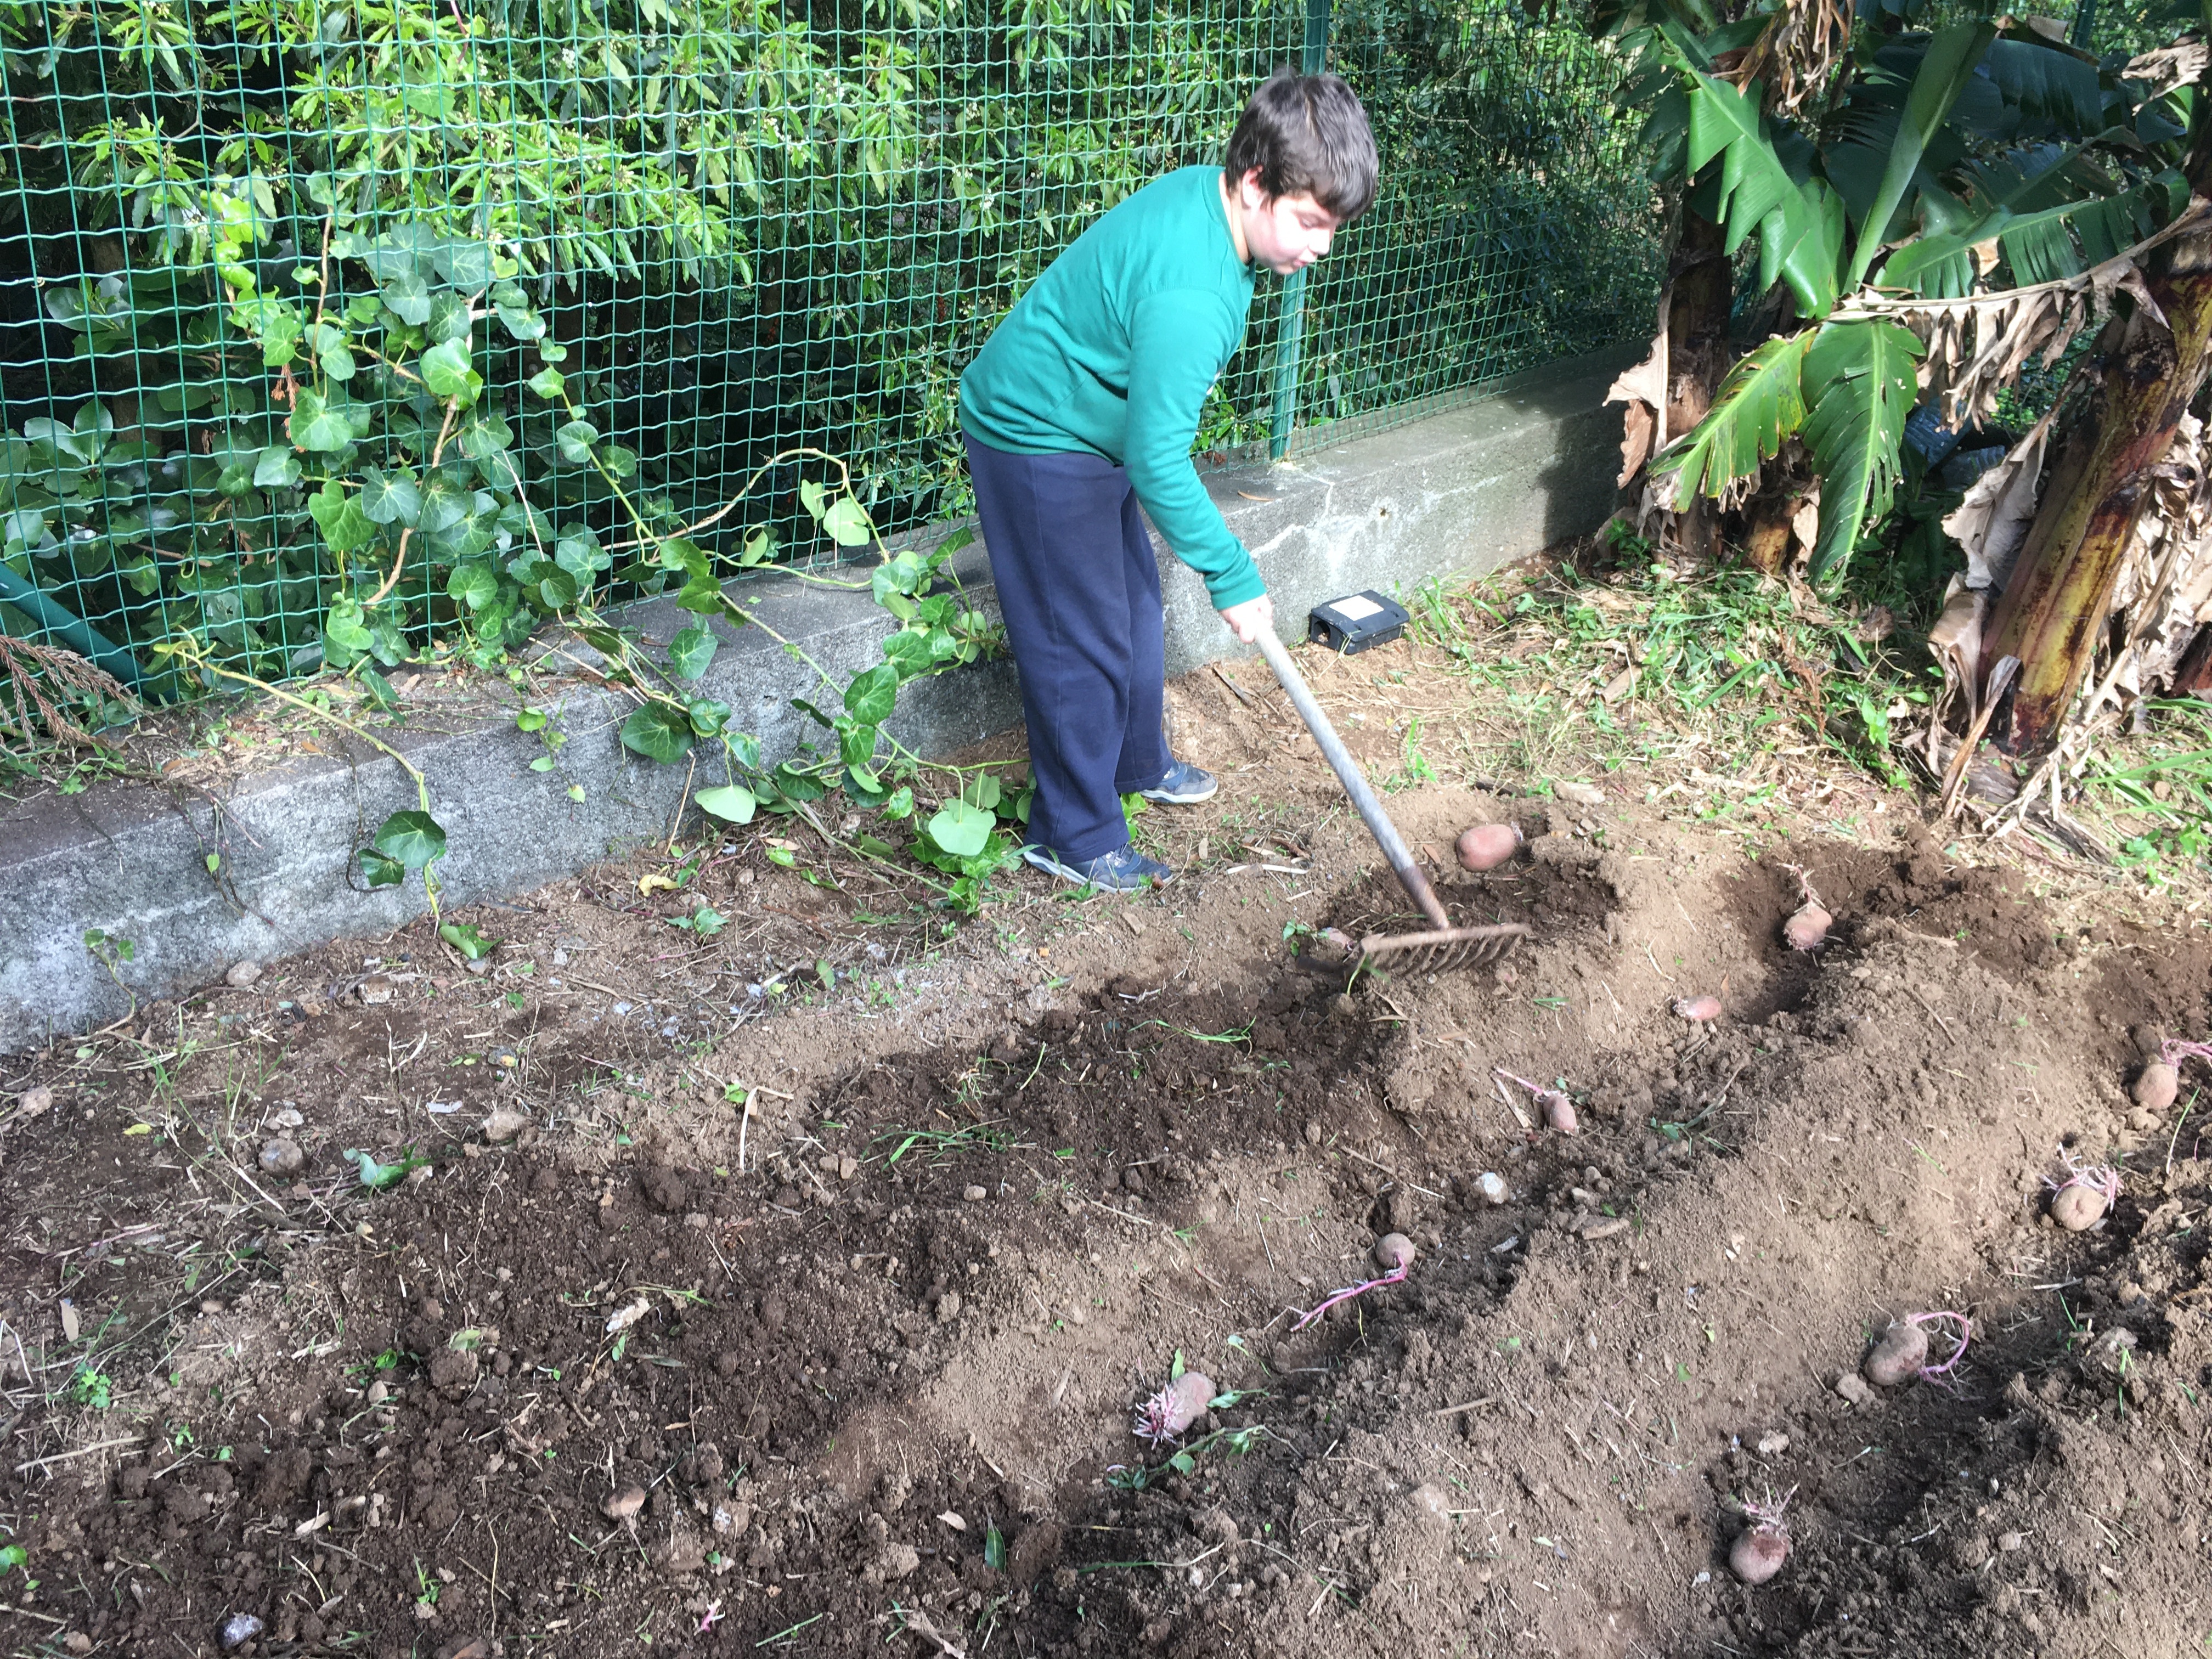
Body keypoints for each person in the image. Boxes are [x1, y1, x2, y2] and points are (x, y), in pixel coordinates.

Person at [958, 69, 1378, 891]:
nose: (1319, 247)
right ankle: (1071, 836)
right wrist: (1231, 571)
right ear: (1257, 183)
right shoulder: (1198, 293)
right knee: (1078, 638)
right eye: (1308, 222)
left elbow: (1149, 442)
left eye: (1332, 228)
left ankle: (1134, 762)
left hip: (1097, 427)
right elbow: (1159, 460)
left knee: (1136, 608)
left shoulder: (1215, 202)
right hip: (1037, 433)